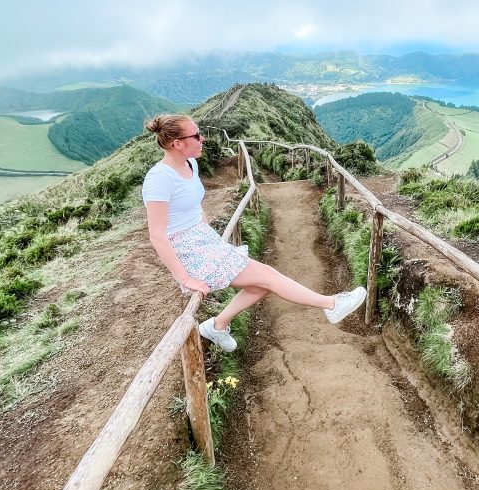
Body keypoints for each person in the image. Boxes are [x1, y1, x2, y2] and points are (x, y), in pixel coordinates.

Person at [142, 113, 366, 352]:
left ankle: (217, 326)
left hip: (202, 239)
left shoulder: (190, 164)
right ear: (178, 143)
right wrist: (185, 279)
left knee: (260, 284)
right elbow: (157, 235)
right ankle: (331, 305)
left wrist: (209, 235)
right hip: (186, 251)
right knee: (267, 276)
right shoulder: (159, 179)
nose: (203, 139)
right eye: (196, 135)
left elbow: (194, 205)